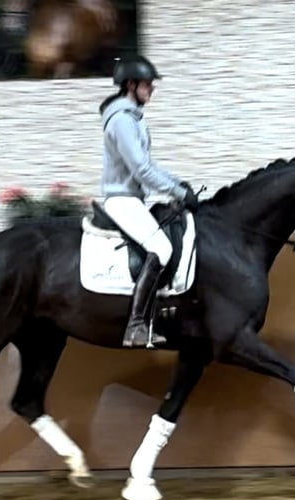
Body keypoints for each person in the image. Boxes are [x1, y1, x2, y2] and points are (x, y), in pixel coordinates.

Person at [98, 54, 199, 348]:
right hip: (121, 199)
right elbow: (140, 169)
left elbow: (149, 166)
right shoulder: (121, 121)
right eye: (147, 84)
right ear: (131, 85)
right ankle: (136, 326)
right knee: (161, 248)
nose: (152, 89)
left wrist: (179, 184)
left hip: (134, 198)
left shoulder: (133, 118)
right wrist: (178, 193)